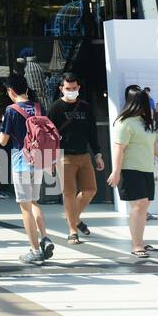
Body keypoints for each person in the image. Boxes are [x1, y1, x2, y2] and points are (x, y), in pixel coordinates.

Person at [107, 87, 158, 259]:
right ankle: (137, 245)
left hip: (146, 169)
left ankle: (139, 240)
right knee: (141, 204)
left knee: (142, 207)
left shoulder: (144, 123)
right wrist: (116, 171)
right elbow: (119, 148)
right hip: (130, 170)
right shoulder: (124, 123)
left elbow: (153, 147)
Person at [0, 73, 54, 264]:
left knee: (25, 207)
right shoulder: (38, 107)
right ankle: (44, 238)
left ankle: (35, 250)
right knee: (34, 202)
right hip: (39, 160)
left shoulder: (11, 110)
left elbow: (3, 140)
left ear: (11, 91)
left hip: (21, 161)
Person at [48, 71, 103, 243]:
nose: (71, 90)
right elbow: (49, 136)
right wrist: (49, 160)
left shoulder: (85, 107)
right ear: (61, 88)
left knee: (90, 190)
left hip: (84, 155)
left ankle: (73, 217)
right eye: (67, 88)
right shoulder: (55, 108)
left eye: (74, 88)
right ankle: (73, 229)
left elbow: (92, 133)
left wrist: (98, 154)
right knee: (69, 193)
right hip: (64, 156)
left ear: (78, 87)